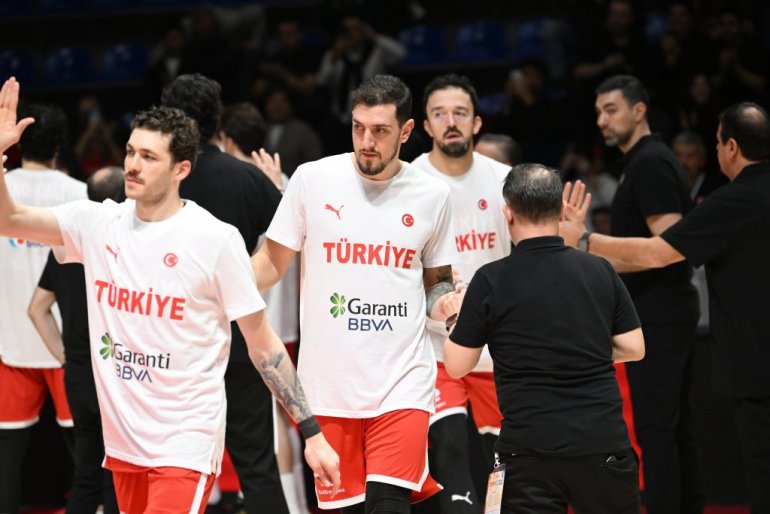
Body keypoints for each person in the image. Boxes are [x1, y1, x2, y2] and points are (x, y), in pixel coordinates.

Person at [0, 77, 339, 514]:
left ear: (181, 169)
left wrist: (312, 432)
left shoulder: (214, 240)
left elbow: (264, 345)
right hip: (124, 444)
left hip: (184, 445)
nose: (133, 165)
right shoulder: (97, 223)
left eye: (148, 157)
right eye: (130, 152)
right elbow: (9, 220)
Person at [252, 74, 460, 513]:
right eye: (358, 127)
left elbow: (437, 280)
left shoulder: (433, 195)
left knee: (389, 505)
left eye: (380, 130)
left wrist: (446, 304)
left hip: (402, 381)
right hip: (328, 387)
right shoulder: (312, 179)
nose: (367, 141)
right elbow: (271, 263)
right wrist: (217, 287)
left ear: (406, 131)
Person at [560, 102, 770, 514]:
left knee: (763, 471)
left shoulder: (734, 199)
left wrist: (582, 240)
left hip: (756, 365)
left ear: (731, 147)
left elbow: (659, 252)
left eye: (716, 143)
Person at [444, 162, 645, 514]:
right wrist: (581, 348)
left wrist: (453, 319)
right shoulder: (599, 269)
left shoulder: (490, 279)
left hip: (527, 453)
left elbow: (458, 365)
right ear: (561, 212)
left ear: (507, 213)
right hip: (602, 444)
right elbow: (634, 348)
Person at [160, 74, 289, 514]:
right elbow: (288, 245)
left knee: (168, 463)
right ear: (218, 120)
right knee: (257, 464)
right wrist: (242, 283)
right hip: (238, 336)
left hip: (171, 344)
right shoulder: (248, 179)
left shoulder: (158, 182)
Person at [594, 74, 702, 514]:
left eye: (611, 109)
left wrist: (587, 247)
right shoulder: (642, 161)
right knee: (671, 427)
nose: (602, 120)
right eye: (598, 112)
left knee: (657, 428)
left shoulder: (651, 162)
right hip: (661, 310)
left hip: (661, 311)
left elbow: (669, 247)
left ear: (639, 110)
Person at [411, 73, 509, 514]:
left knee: (501, 466)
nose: (450, 122)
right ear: (426, 126)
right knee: (450, 453)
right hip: (434, 347)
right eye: (439, 114)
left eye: (460, 113)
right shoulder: (408, 182)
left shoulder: (505, 181)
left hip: (497, 348)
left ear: (477, 122)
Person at [219, 101, 306, 514]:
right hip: (286, 322)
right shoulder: (281, 182)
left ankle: (291, 506)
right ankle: (295, 503)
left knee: (272, 424)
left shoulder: (242, 184)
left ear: (226, 139)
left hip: (259, 323)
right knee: (287, 420)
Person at [0, 101, 85, 514]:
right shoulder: (80, 194)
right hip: (67, 347)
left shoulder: (3, 188)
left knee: (7, 458)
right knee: (84, 452)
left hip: (8, 342)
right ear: (59, 146)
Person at [27, 165, 125, 514]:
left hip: (79, 375)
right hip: (116, 374)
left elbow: (37, 309)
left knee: (86, 475)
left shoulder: (66, 246)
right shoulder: (127, 248)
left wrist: (67, 358)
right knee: (117, 478)